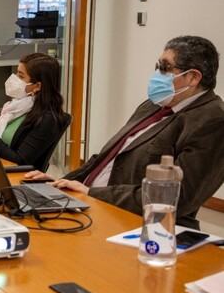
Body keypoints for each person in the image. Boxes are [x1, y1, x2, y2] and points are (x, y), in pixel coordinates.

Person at [24, 35, 224, 229]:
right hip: (90, 205)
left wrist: (93, 193)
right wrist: (64, 182)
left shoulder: (212, 121)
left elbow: (180, 196)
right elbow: (106, 158)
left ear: (193, 77)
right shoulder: (153, 105)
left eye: (165, 67)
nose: (157, 74)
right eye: (158, 66)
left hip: (136, 223)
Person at [0, 53, 67, 171]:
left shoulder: (47, 119)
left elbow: (21, 161)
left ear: (37, 86)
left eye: (21, 76)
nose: (14, 79)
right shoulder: (15, 107)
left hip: (16, 177)